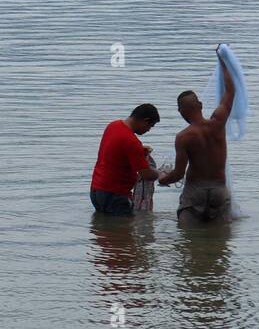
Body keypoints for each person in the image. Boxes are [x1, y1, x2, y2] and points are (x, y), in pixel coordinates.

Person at [158, 51, 234, 223]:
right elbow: (230, 92)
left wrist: (162, 179)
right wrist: (223, 61)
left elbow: (178, 174)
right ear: (200, 105)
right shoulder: (218, 122)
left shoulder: (183, 137)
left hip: (195, 193)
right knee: (220, 244)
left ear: (180, 111)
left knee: (188, 242)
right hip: (219, 190)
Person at [90, 104, 161, 216]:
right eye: (150, 126)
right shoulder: (132, 141)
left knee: (104, 230)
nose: (148, 130)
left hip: (96, 191)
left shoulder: (113, 126)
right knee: (123, 232)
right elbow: (146, 174)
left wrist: (140, 151)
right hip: (115, 195)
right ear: (145, 121)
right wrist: (160, 174)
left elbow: (116, 151)